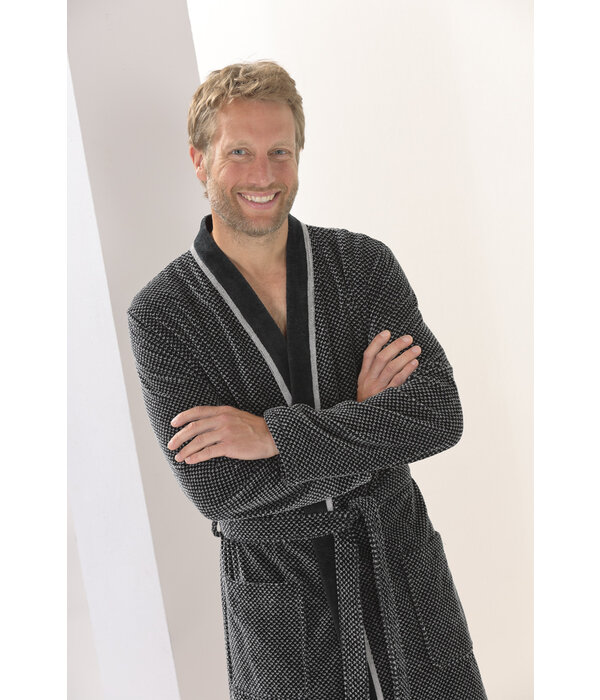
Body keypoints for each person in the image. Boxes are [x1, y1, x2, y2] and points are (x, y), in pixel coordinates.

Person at [127, 60, 487, 700]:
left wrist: (274, 437)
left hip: (400, 568)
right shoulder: (163, 314)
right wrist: (368, 423)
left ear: (299, 155)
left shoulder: (362, 265)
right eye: (240, 152)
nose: (264, 175)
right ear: (200, 160)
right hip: (280, 603)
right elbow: (220, 489)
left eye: (280, 152)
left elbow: (438, 413)